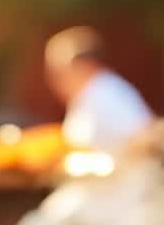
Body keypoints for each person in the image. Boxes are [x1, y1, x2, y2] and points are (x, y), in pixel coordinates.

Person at [44, 26, 154, 157]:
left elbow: (145, 138)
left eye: (59, 70)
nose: (54, 79)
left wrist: (114, 168)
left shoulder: (107, 93)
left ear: (83, 66)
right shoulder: (87, 95)